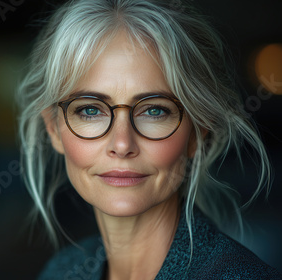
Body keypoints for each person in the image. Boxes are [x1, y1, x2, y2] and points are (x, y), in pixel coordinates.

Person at [16, 0, 282, 279]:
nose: (121, 144)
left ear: (198, 132)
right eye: (90, 110)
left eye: (154, 111)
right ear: (54, 129)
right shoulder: (61, 272)